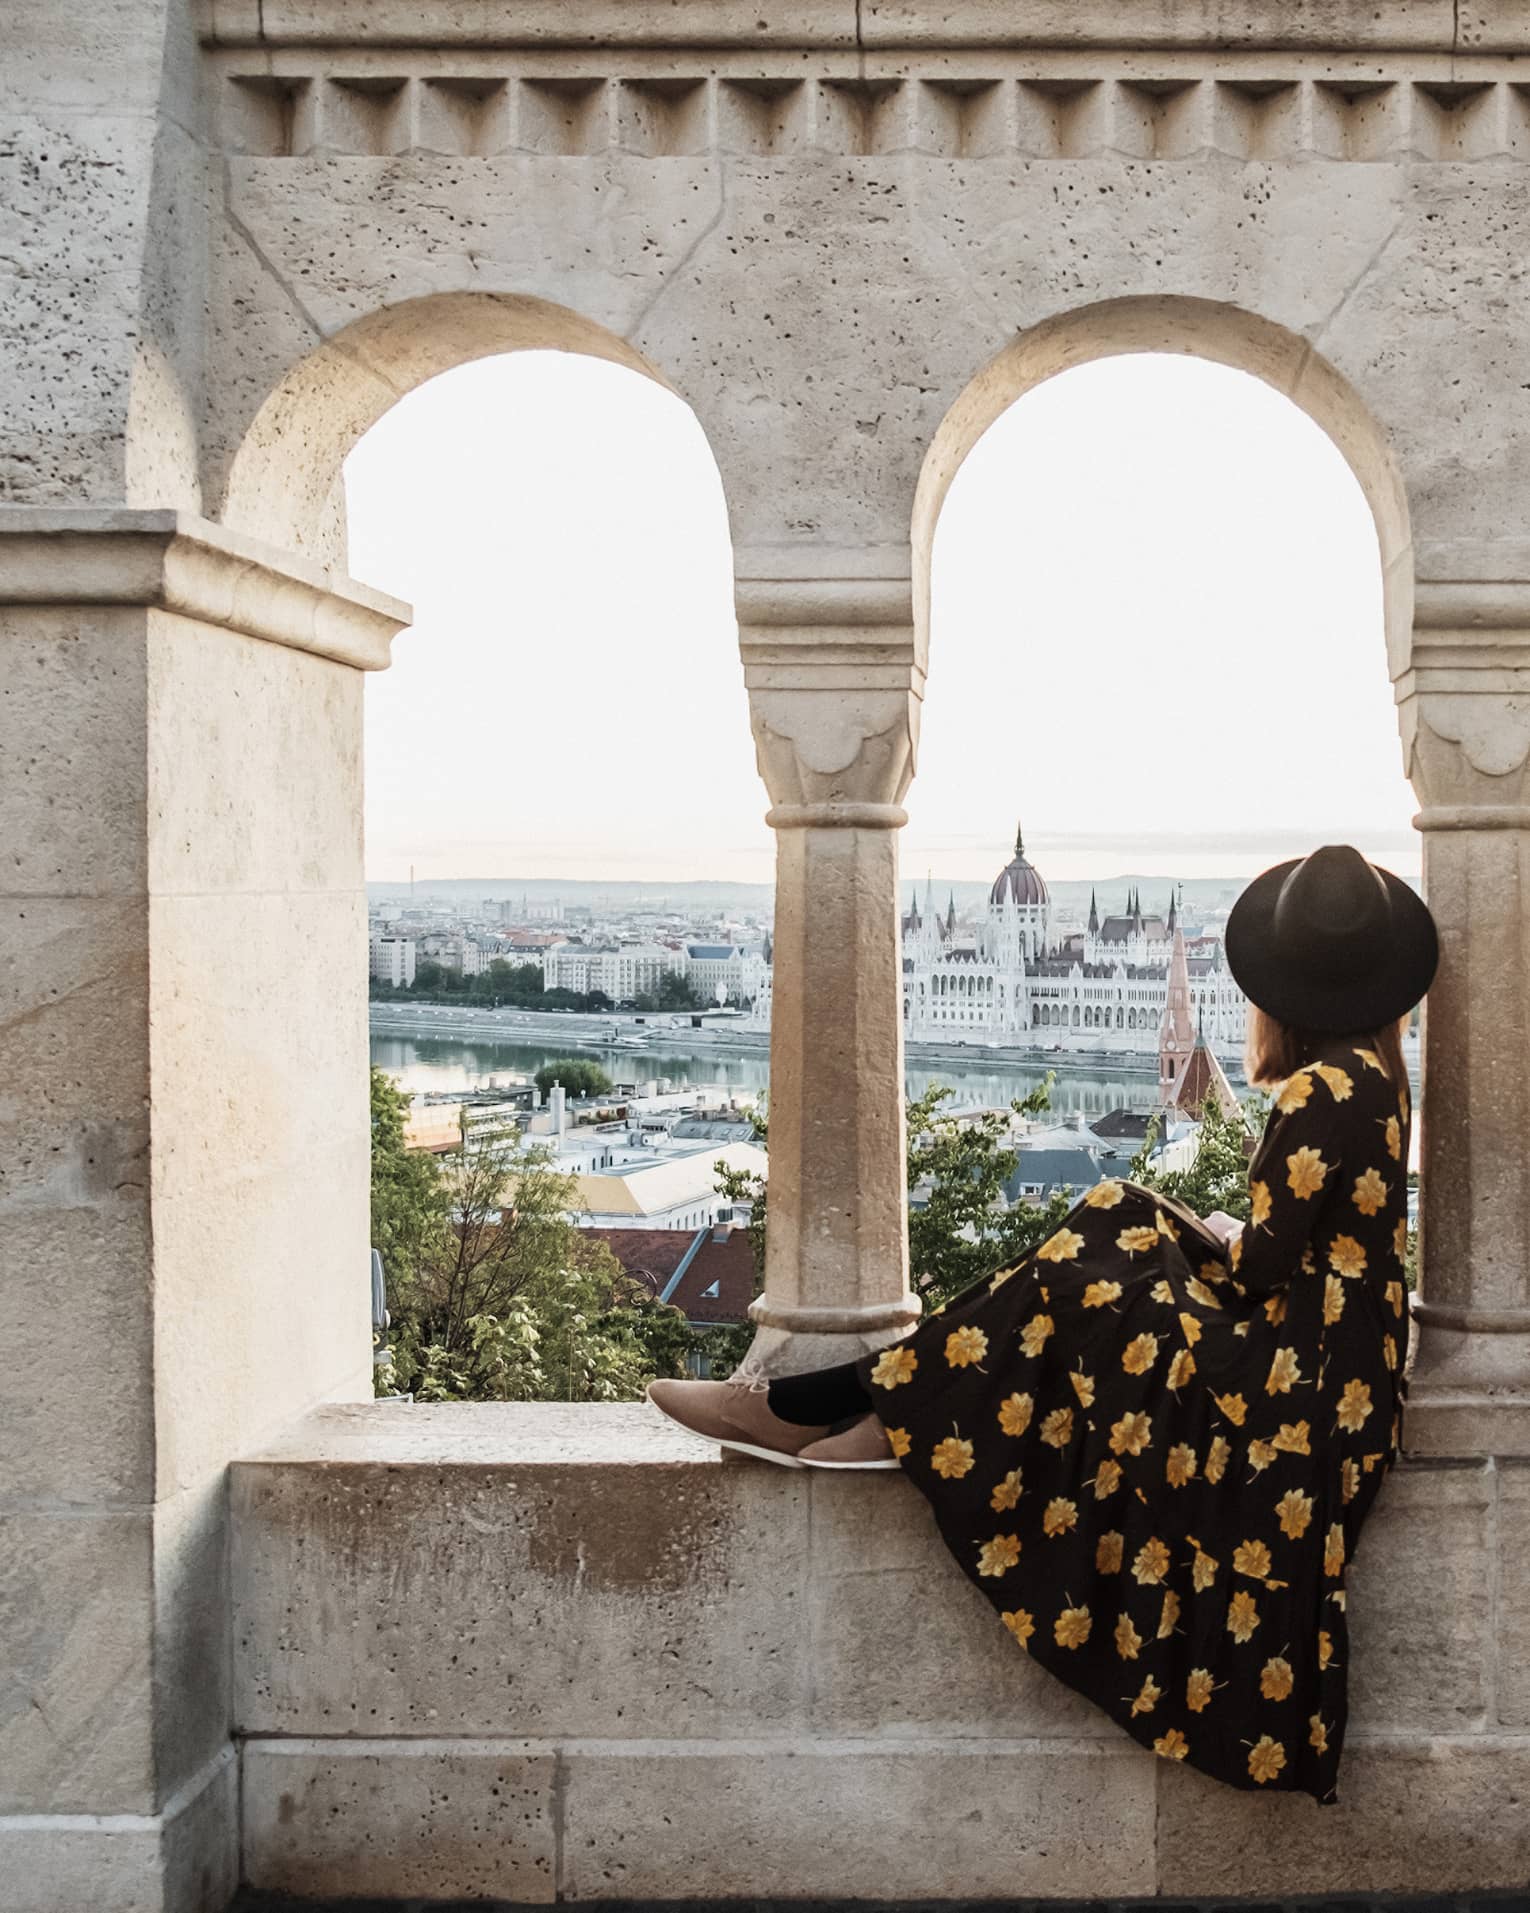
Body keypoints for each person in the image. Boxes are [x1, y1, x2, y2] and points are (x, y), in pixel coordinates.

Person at [648, 846, 1437, 1801]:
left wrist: (1225, 1230)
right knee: (1112, 1219)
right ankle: (864, 1408)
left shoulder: (1323, 1089)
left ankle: (829, 1403)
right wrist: (1217, 1228)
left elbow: (1268, 1261)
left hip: (1296, 1384)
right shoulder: (1380, 1075)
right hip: (1332, 1368)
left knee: (1087, 1254)